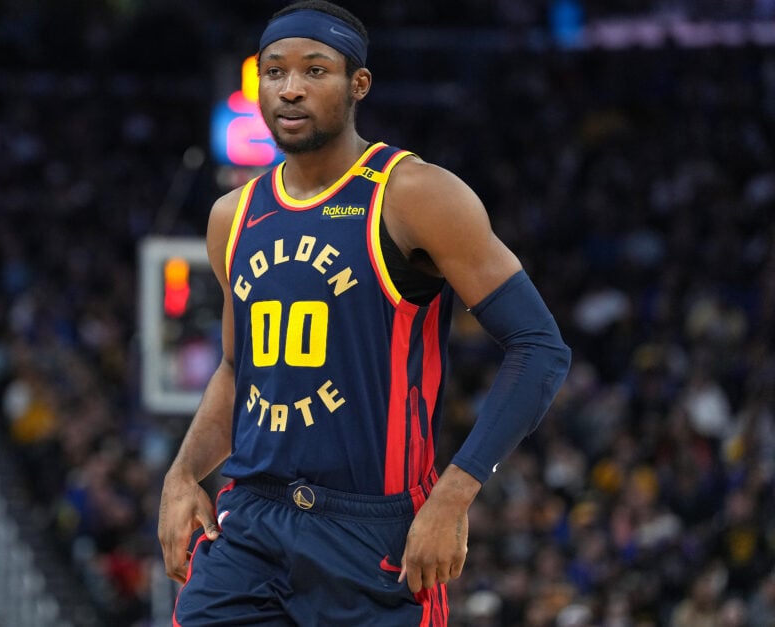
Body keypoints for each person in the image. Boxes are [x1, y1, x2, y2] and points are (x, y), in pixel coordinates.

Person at [157, 1, 571, 625]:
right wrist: (183, 474)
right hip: (252, 522)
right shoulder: (232, 216)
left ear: (358, 85)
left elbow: (539, 347)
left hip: (369, 529)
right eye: (274, 72)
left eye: (315, 70)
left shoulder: (413, 194)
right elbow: (238, 371)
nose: (290, 89)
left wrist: (452, 498)